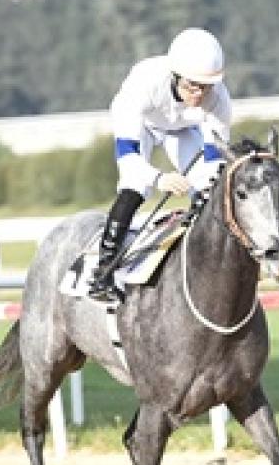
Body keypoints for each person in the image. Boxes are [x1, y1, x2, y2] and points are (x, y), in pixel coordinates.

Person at [88, 26, 234, 303]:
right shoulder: (145, 83)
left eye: (205, 87)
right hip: (142, 125)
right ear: (175, 76)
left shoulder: (219, 100)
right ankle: (103, 271)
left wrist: (204, 186)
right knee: (135, 186)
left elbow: (216, 160)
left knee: (208, 187)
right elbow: (129, 157)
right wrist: (159, 179)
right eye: (192, 85)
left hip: (180, 130)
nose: (199, 94)